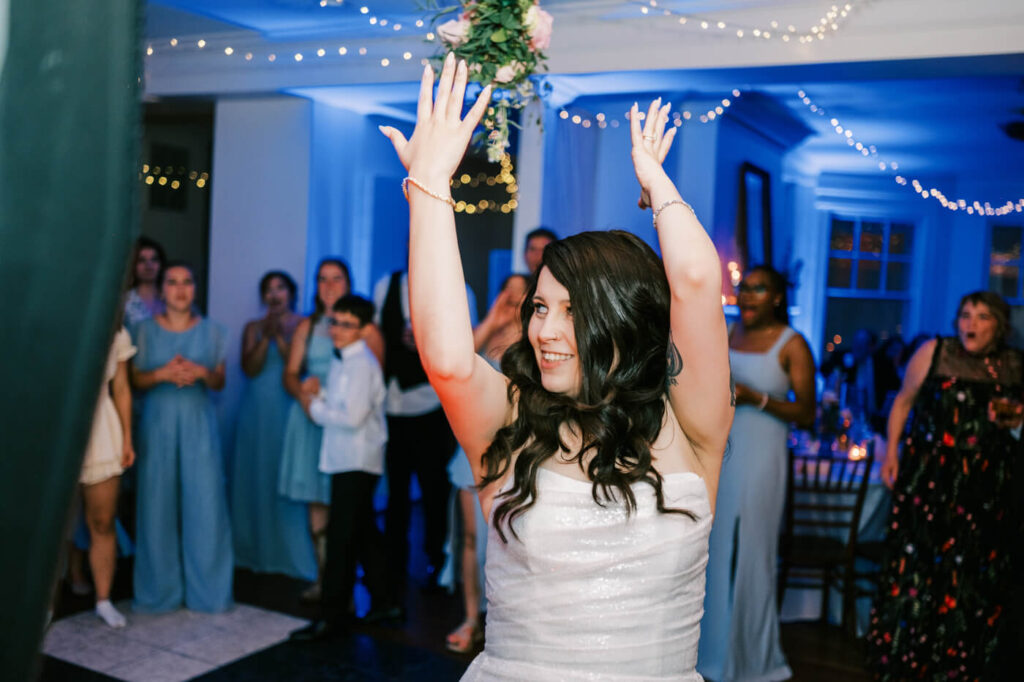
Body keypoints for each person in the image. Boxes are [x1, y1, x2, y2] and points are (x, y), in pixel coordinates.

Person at [379, 55, 732, 680]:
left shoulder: (692, 424)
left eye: (570, 311)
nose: (542, 329)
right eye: (540, 306)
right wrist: (431, 184)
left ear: (624, 319)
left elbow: (698, 280)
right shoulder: (511, 420)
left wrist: (659, 188)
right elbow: (446, 357)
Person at [867, 291, 1021, 680]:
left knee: (974, 576)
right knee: (920, 570)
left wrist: (1016, 420)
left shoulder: (1015, 365)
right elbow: (902, 401)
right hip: (931, 480)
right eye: (966, 314)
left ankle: (962, 665)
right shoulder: (935, 352)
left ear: (999, 326)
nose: (970, 323)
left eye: (982, 317)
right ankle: (909, 663)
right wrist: (892, 455)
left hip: (988, 488)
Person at [698, 265, 816, 682]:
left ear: (777, 297)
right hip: (724, 454)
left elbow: (806, 412)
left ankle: (753, 658)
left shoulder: (792, 345)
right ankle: (710, 654)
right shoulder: (731, 334)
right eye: (743, 289)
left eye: (758, 289)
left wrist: (757, 399)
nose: (747, 296)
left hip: (764, 456)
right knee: (713, 550)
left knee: (754, 551)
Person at [290, 295, 399, 640]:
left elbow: (352, 418)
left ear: (365, 329)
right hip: (345, 458)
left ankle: (332, 618)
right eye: (334, 322)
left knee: (341, 540)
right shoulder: (343, 361)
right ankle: (385, 602)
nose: (336, 330)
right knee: (364, 533)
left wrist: (314, 407)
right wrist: (321, 398)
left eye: (346, 325)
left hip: (356, 460)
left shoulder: (362, 364)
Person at [131, 262, 233, 613]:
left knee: (206, 505)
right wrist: (162, 373)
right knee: (155, 507)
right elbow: (134, 381)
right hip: (157, 423)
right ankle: (159, 593)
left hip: (197, 422)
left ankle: (209, 594)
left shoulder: (214, 331)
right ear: (161, 289)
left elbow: (220, 382)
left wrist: (201, 371)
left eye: (187, 282)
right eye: (172, 282)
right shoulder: (143, 331)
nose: (180, 289)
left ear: (194, 288)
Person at [372, 268, 475, 595]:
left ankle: (436, 560)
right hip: (392, 402)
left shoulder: (459, 288)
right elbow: (376, 334)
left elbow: (466, 340)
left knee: (434, 489)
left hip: (433, 403)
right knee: (396, 492)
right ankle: (392, 564)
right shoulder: (385, 285)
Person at [443, 273, 528, 653]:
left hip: (514, 451)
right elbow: (458, 364)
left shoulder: (536, 339)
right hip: (472, 449)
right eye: (505, 292)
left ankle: (505, 627)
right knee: (472, 539)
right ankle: (471, 617)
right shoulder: (486, 333)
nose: (511, 299)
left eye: (519, 293)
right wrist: (492, 321)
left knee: (510, 542)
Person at [230, 271, 316, 580]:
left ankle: (288, 554)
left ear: (291, 293)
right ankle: (252, 550)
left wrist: (280, 337)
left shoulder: (305, 325)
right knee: (255, 475)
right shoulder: (252, 328)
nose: (274, 294)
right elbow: (249, 369)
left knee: (284, 475)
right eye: (268, 289)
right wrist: (265, 336)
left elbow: (301, 368)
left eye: (280, 288)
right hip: (256, 408)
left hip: (286, 407)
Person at [77, 325, 136, 627]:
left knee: (102, 520)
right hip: (57, 423)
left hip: (101, 425)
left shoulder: (117, 331)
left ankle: (104, 600)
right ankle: (43, 606)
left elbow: (122, 386)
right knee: (49, 527)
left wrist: (127, 437)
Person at [123, 237, 165, 331]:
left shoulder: (171, 299)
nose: (149, 265)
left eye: (154, 259)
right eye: (142, 260)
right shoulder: (124, 301)